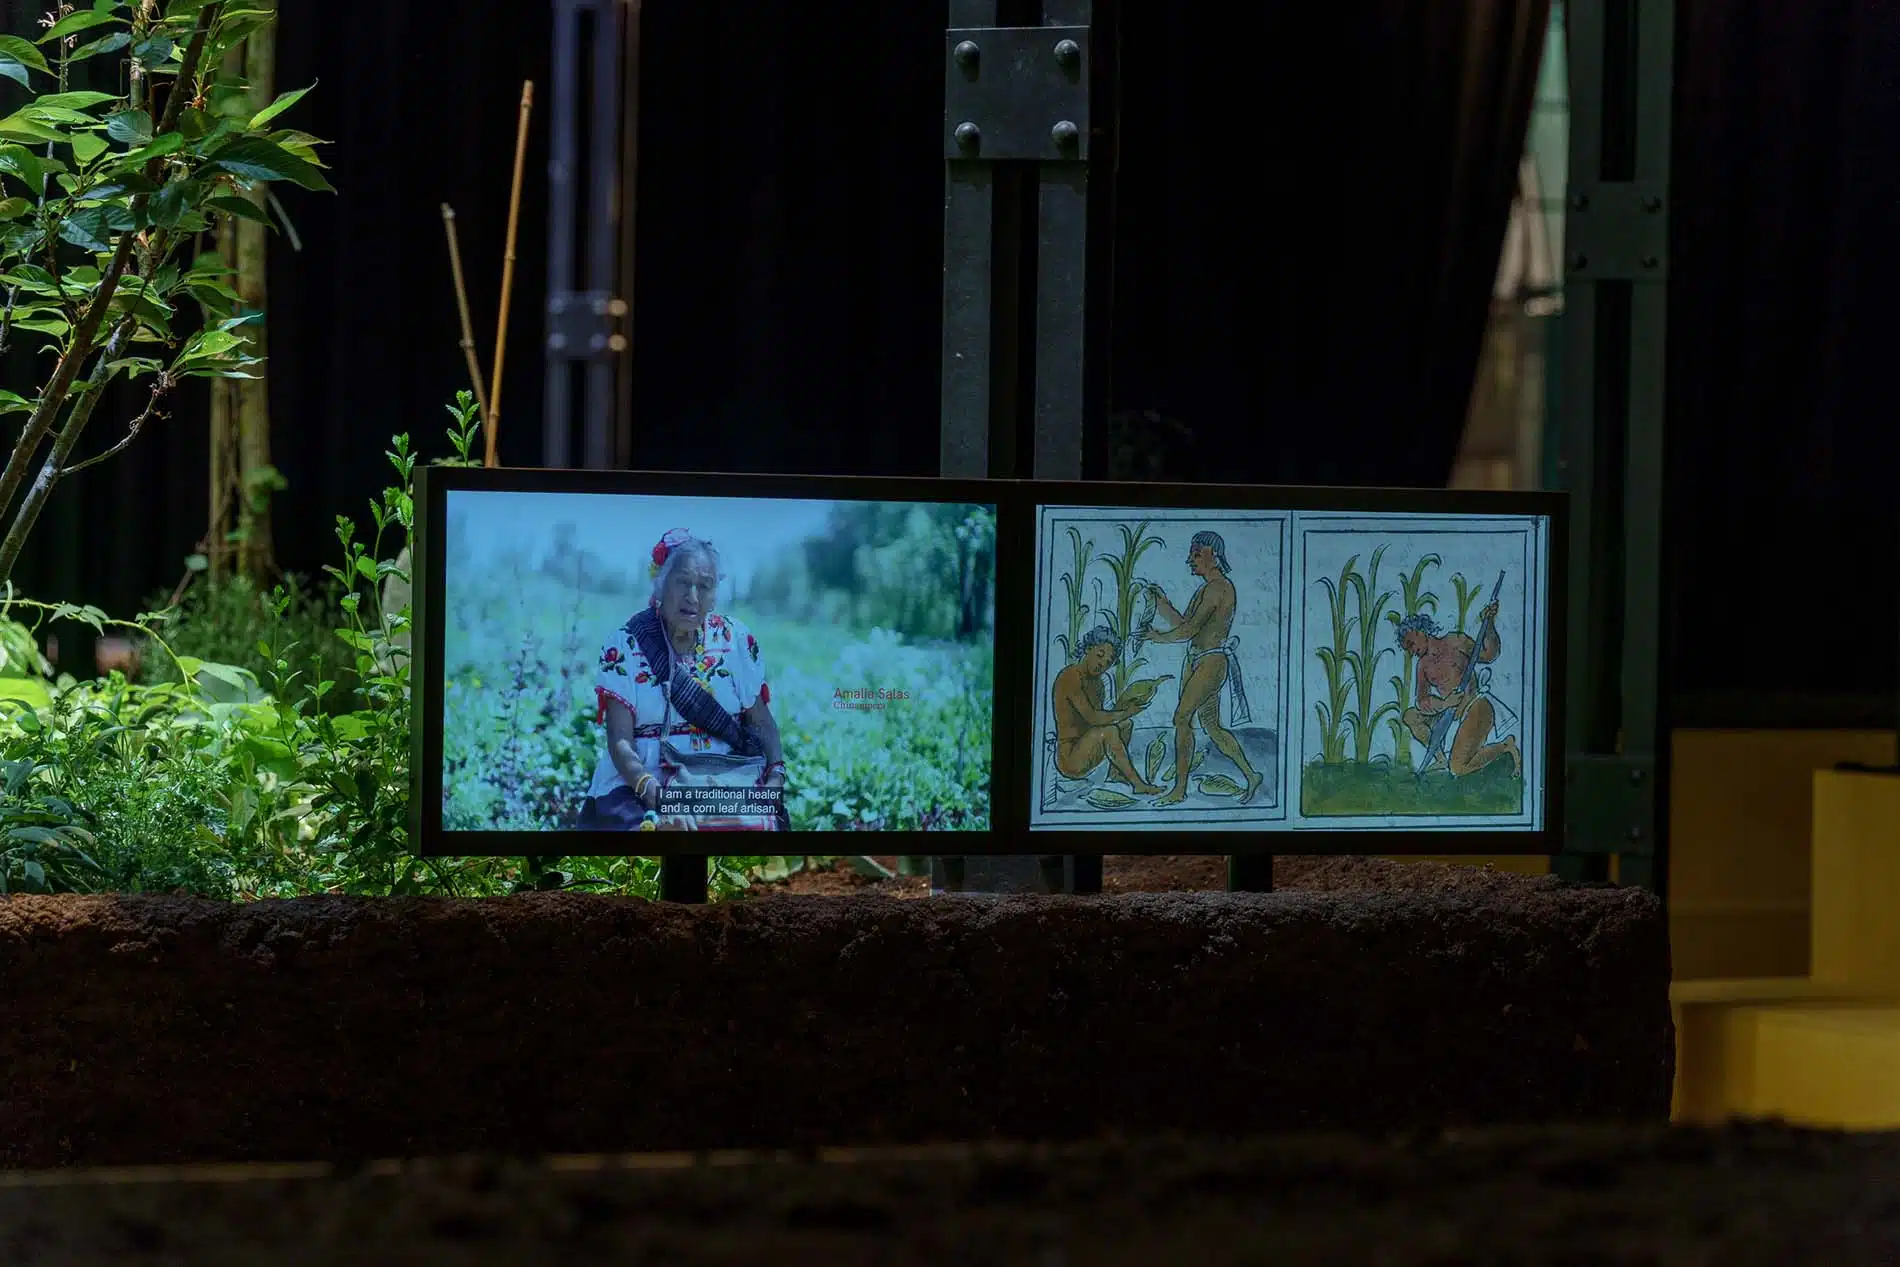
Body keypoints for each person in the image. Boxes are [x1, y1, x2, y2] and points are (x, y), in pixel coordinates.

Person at [579, 529, 787, 831]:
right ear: (660, 585)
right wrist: (656, 797)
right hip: (641, 781)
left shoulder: (735, 640)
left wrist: (776, 775)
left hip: (721, 780)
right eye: (682, 582)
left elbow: (762, 722)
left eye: (704, 586)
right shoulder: (625, 644)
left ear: (714, 597)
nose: (692, 597)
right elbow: (620, 739)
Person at [1143, 530, 1263, 805]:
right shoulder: (1205, 589)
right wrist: (1162, 603)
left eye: (1197, 554)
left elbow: (1189, 630)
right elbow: (1184, 624)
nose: (1190, 560)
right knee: (1212, 726)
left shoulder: (1219, 588)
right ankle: (1251, 775)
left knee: (1181, 719)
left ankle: (1179, 789)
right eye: (1191, 554)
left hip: (1210, 661)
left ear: (1215, 556)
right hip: (1198, 660)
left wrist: (1157, 637)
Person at [1395, 603, 1522, 778]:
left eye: (1411, 644)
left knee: (1457, 768)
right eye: (1407, 649)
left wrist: (1489, 623)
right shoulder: (1423, 665)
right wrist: (1443, 704)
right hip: (1449, 712)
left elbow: (1489, 655)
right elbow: (1421, 701)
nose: (1411, 651)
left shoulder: (1454, 641)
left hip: (1474, 706)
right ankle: (1440, 759)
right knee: (1410, 716)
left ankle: (1506, 746)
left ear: (1419, 631)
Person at [1051, 625, 1164, 793]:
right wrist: (1125, 712)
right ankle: (1138, 785)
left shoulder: (1098, 684)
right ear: (1088, 648)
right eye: (1100, 655)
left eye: (1108, 662)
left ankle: (1116, 774)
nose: (1102, 664)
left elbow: (1100, 720)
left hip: (1088, 748)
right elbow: (1093, 718)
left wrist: (1126, 707)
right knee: (1110, 731)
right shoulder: (1071, 676)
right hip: (1069, 759)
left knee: (1126, 725)